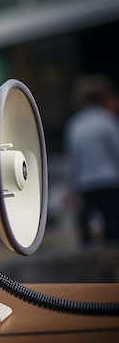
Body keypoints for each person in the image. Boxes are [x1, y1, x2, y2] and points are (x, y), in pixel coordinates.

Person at [64, 74, 119, 245]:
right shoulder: (107, 121)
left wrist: (71, 188)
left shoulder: (75, 124)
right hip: (110, 180)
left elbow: (73, 160)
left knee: (85, 232)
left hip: (85, 184)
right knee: (113, 230)